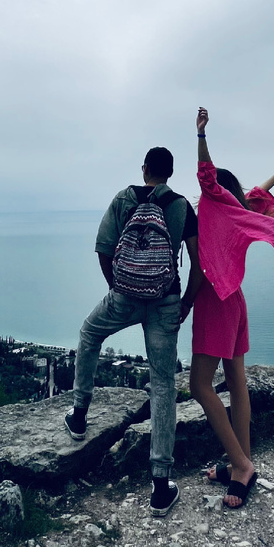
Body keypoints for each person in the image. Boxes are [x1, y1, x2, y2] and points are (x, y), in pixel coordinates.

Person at [65, 145, 199, 516]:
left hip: (123, 297)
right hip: (166, 300)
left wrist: (118, 287)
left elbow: (103, 249)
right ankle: (160, 485)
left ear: (145, 170)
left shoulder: (124, 199)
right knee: (163, 383)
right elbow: (199, 262)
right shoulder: (181, 206)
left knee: (89, 335)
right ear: (170, 173)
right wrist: (186, 303)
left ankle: (79, 415)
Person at [180, 107, 274, 509]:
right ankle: (240, 464)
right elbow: (255, 194)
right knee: (235, 381)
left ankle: (241, 466)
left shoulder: (213, 207)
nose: (205, 190)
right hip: (235, 301)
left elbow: (206, 175)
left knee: (200, 386)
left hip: (216, 303)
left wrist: (201, 134)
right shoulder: (237, 210)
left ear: (217, 190)